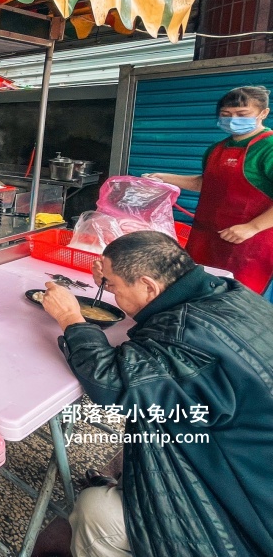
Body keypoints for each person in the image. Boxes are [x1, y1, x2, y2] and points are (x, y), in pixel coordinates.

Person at [40, 231, 273, 557]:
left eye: (115, 289)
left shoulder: (187, 335)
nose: (113, 295)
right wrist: (115, 276)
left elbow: (115, 383)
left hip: (247, 517)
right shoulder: (229, 294)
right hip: (250, 459)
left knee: (97, 513)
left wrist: (70, 318)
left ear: (149, 286)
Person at [146, 86, 273, 297]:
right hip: (206, 239)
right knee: (197, 295)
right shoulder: (216, 148)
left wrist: (252, 227)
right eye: (226, 115)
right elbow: (205, 183)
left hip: (249, 245)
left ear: (263, 113)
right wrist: (163, 177)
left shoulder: (268, 148)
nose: (233, 120)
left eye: (242, 115)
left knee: (238, 302)